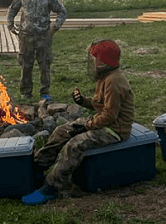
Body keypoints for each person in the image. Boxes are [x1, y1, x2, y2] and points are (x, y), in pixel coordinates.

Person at [22, 39, 135, 205]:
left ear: (105, 61)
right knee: (62, 131)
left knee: (74, 144)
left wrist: (86, 126)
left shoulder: (114, 81)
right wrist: (83, 101)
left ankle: (53, 187)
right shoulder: (105, 77)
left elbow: (110, 115)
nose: (93, 61)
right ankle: (37, 169)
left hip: (115, 130)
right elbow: (101, 107)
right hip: (104, 123)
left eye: (96, 58)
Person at [7, 0, 67, 101]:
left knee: (44, 64)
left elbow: (62, 11)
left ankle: (45, 92)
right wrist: (10, 25)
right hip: (25, 36)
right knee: (25, 65)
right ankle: (25, 93)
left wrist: (56, 26)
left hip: (43, 36)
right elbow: (12, 10)